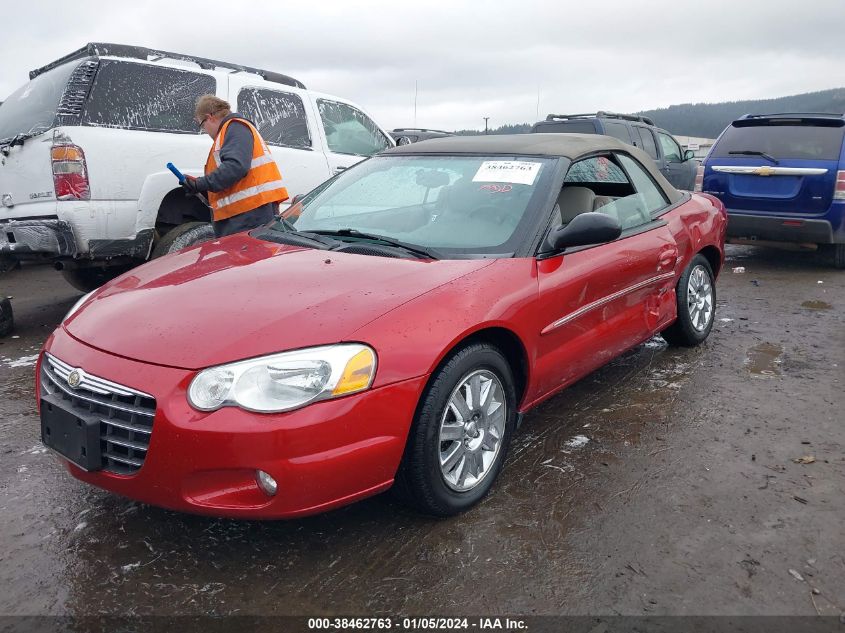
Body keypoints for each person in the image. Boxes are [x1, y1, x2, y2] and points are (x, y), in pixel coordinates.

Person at [183, 95, 289, 237]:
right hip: (245, 213)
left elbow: (236, 167)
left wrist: (201, 183)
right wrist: (199, 186)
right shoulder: (229, 132)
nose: (205, 130)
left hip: (250, 213)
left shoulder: (235, 127)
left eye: (202, 125)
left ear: (210, 117)